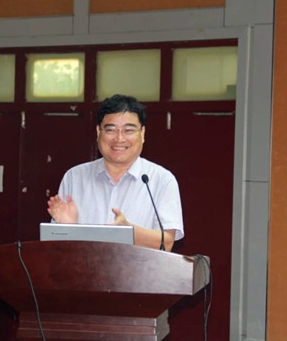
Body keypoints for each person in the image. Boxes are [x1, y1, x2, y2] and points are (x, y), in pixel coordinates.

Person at [47, 94, 184, 251]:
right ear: (98, 132)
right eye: (111, 130)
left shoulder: (161, 180)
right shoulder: (74, 177)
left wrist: (128, 232)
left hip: (139, 268)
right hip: (83, 266)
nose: (119, 139)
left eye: (128, 130)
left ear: (142, 134)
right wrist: (69, 227)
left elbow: (166, 242)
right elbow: (55, 246)